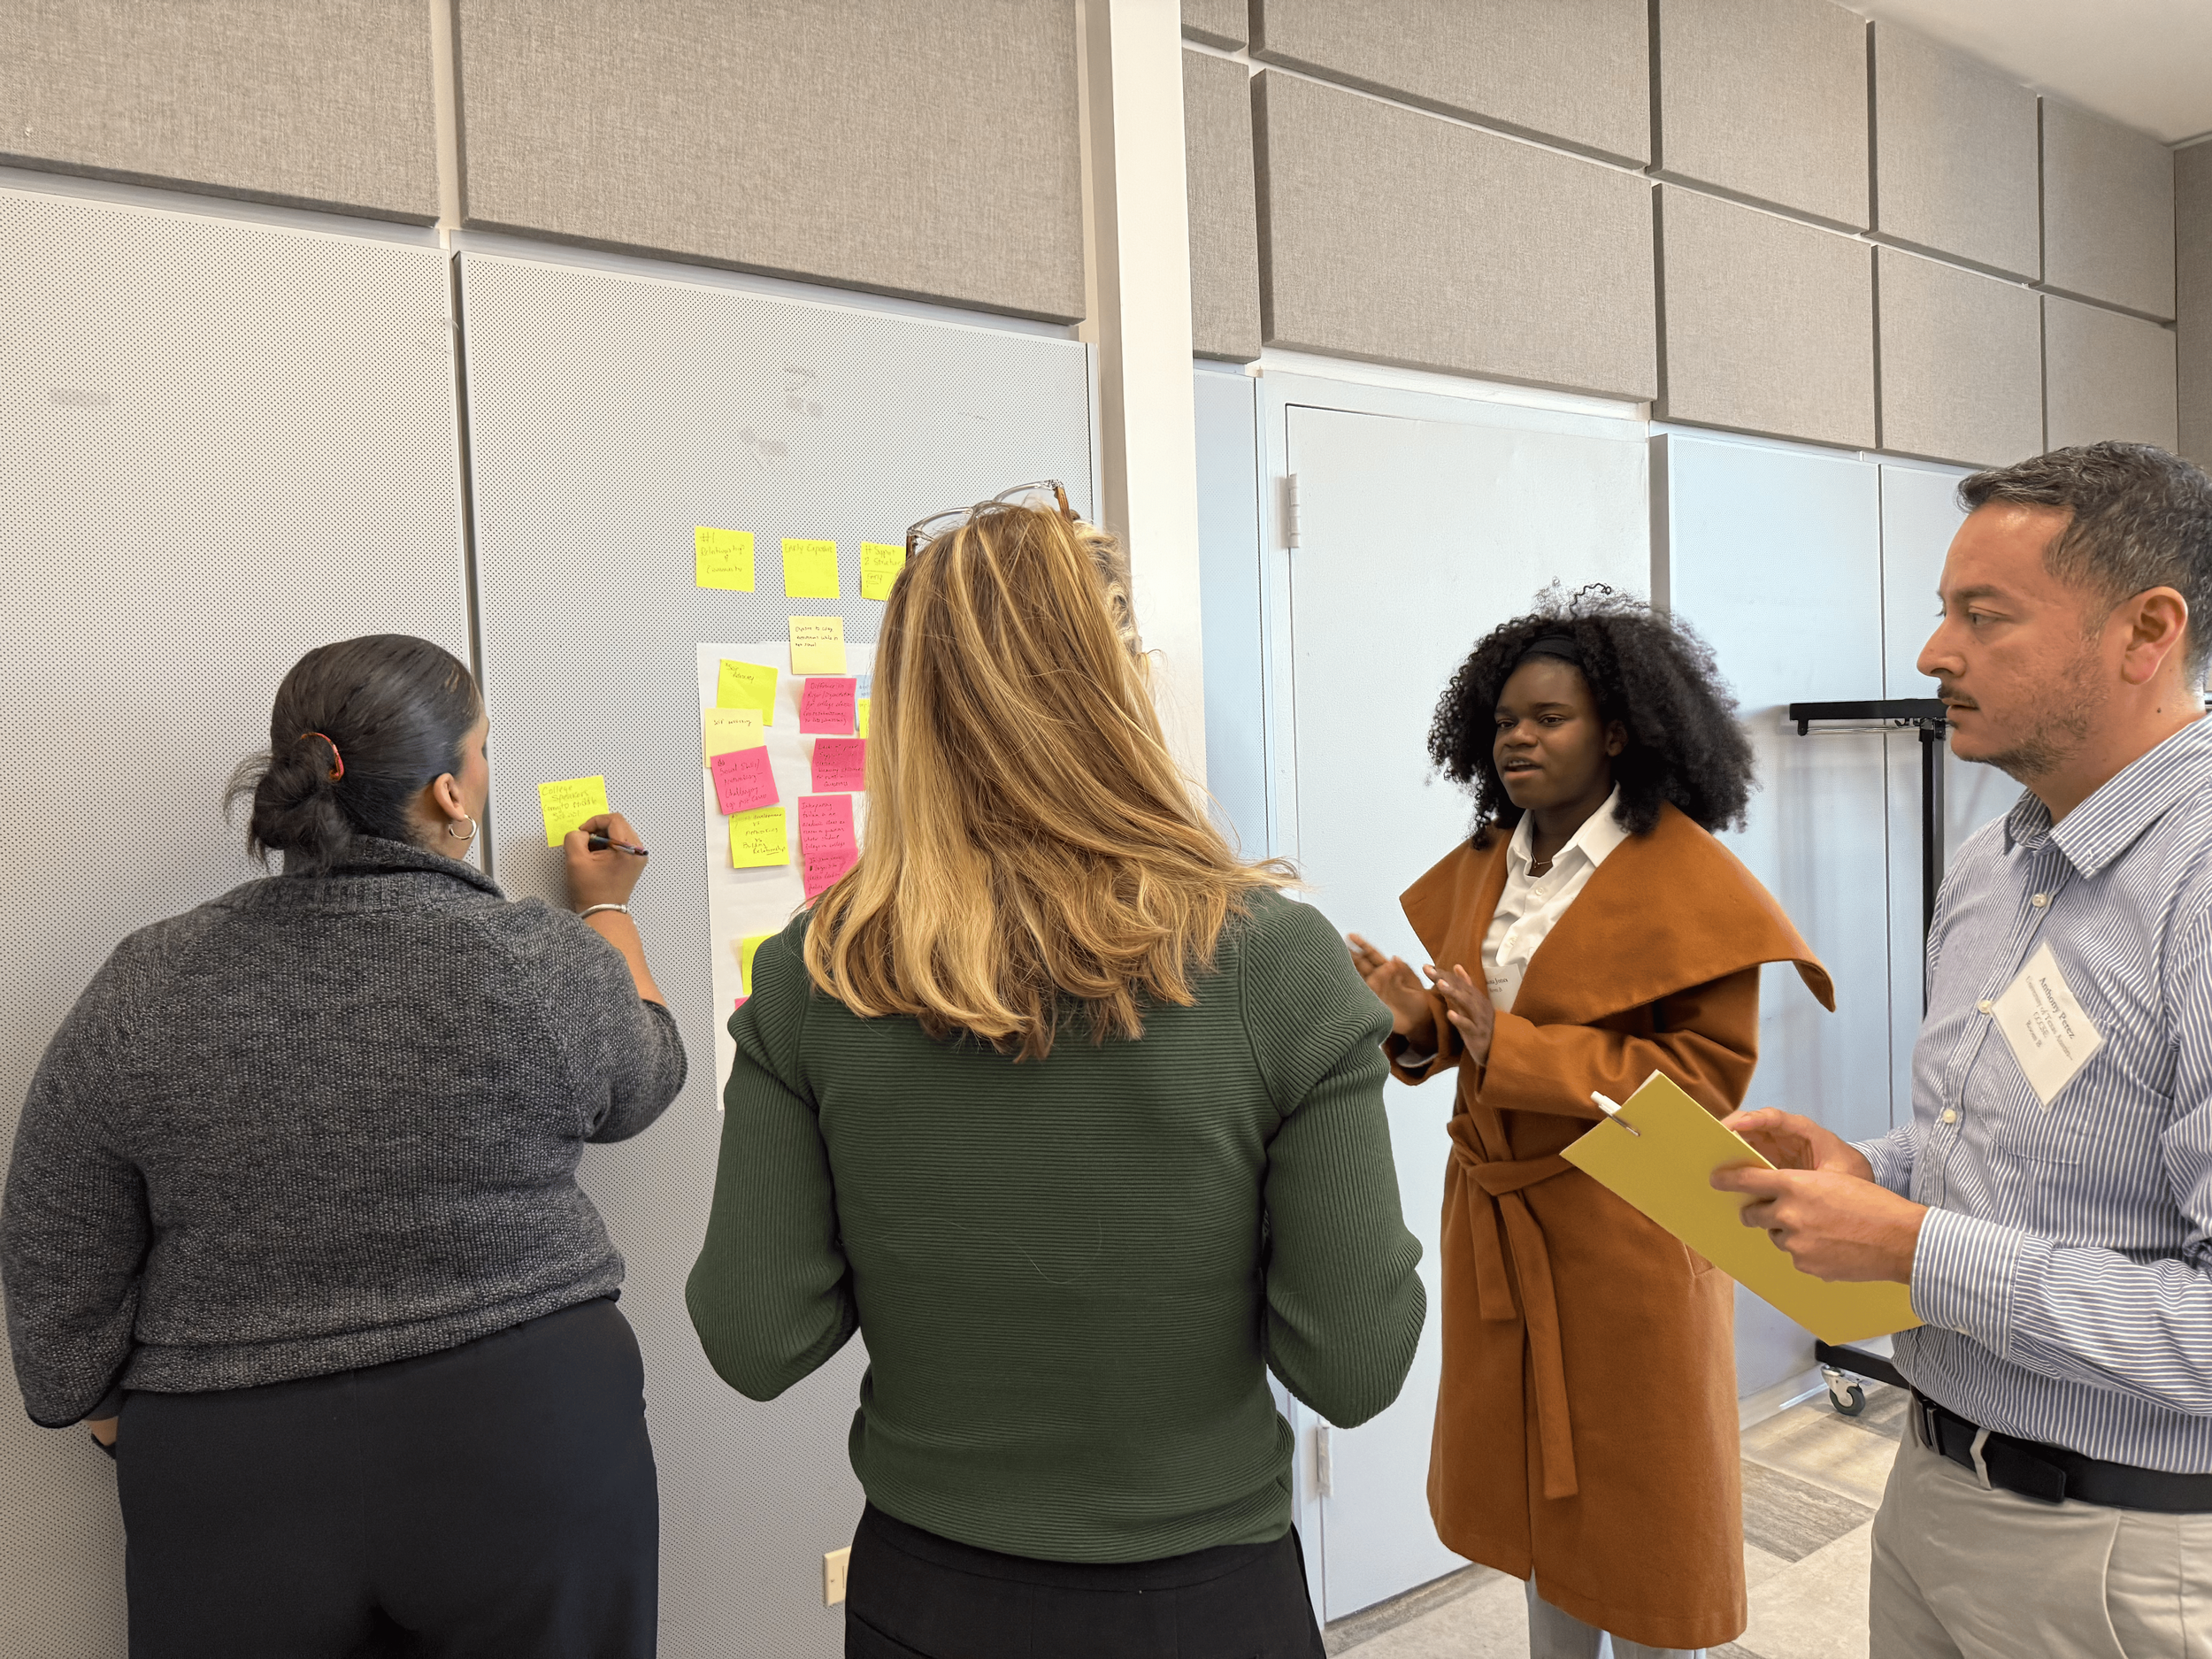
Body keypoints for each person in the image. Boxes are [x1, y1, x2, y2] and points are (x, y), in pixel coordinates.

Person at [685, 483, 1425, 1659]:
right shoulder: (1275, 963)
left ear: (908, 708)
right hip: (1202, 1601)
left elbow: (756, 1334)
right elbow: (1355, 1360)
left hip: (920, 1594)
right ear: (1121, 682)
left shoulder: (814, 972)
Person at [0, 634, 686, 1659]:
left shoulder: (149, 979)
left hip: (231, 1464)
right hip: (527, 1434)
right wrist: (607, 908)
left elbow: (53, 1226)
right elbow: (649, 1073)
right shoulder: (538, 960)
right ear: (452, 794)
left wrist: (101, 1409)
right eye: (485, 751)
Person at [1717, 442, 2212, 1657]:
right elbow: (2017, 1139)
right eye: (1944, 610)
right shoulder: (2000, 855)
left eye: (1983, 616)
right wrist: (1874, 1168)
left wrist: (1920, 1249)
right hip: (1933, 1481)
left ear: (2146, 630)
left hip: (2120, 1555)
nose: (1935, 651)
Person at [1348, 588, 1833, 1659]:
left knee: (1649, 1520)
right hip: (1501, 1230)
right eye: (1504, 720)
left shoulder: (1686, 881)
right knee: (1536, 1508)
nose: (1518, 738)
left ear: (1617, 731)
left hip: (1629, 1235)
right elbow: (1479, 1028)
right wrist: (1417, 1019)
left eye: (1548, 718)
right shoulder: (1489, 862)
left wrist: (1503, 1049)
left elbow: (1700, 1080)